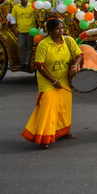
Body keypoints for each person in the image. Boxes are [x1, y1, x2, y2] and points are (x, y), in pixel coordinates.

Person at [21, 18, 83, 149]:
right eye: (57, 29)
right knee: (48, 108)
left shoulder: (68, 40)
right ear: (49, 31)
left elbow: (79, 55)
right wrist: (53, 81)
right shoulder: (43, 45)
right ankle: (44, 137)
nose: (61, 31)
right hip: (48, 82)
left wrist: (75, 66)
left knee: (63, 108)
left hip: (65, 80)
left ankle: (62, 132)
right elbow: (39, 66)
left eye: (62, 28)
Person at [11, 0, 37, 71]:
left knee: (29, 47)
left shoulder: (32, 6)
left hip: (31, 30)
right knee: (21, 47)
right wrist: (15, 29)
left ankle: (27, 63)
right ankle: (22, 63)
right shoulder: (16, 7)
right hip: (20, 30)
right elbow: (13, 20)